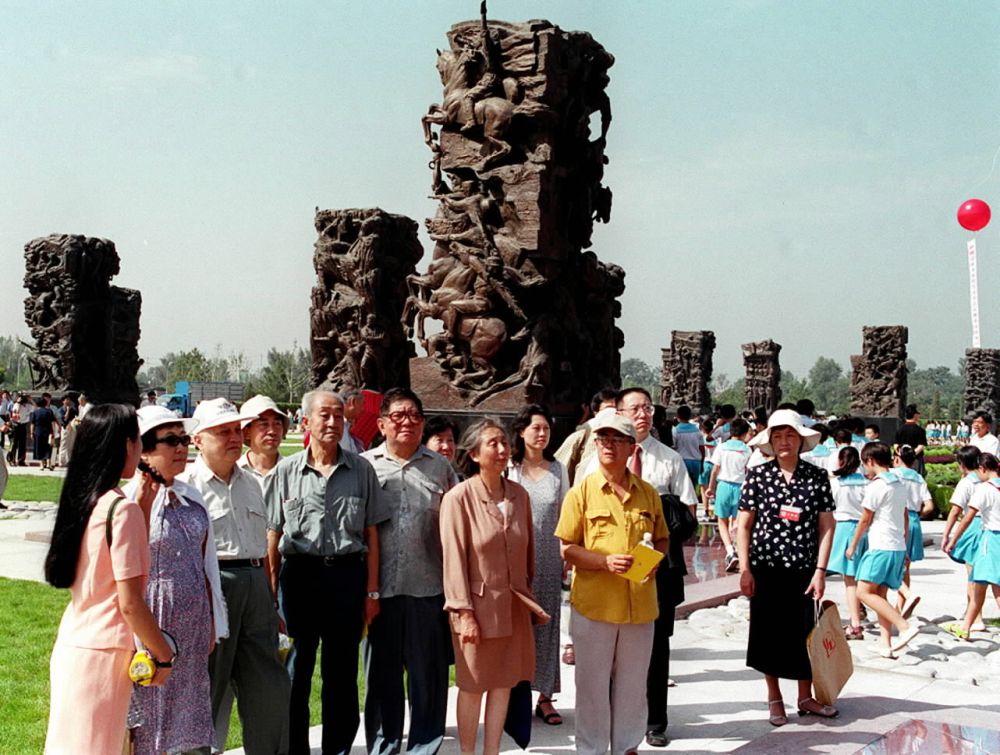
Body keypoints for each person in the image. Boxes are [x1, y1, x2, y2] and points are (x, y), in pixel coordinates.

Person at [43, 404, 174, 754]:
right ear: (126, 445)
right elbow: (129, 602)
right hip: (106, 653)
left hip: (75, 642)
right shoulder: (120, 509)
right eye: (138, 440)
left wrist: (143, 507)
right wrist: (164, 654)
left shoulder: (85, 502)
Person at [267, 389, 388, 755]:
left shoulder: (361, 470)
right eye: (325, 415)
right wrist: (270, 595)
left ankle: (338, 749)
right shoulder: (286, 471)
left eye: (339, 415)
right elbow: (272, 536)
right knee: (295, 671)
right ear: (306, 421)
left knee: (341, 674)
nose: (333, 422)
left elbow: (371, 533)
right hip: (299, 579)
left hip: (346, 579)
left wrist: (371, 592)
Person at [578, 387, 696, 747]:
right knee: (607, 653)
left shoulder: (669, 459)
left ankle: (654, 722)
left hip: (656, 569)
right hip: (607, 573)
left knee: (655, 649)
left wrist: (658, 536)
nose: (643, 414)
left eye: (647, 408)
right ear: (619, 413)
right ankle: (609, 724)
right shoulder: (593, 464)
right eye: (635, 408)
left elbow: (688, 515)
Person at [177, 398, 290, 755]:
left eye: (236, 430)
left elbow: (263, 547)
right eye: (222, 432)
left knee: (269, 689)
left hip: (255, 586)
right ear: (198, 440)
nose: (234, 438)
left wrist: (269, 601)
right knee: (206, 688)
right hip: (212, 588)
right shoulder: (185, 487)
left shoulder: (252, 483)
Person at [555, 412, 667, 754]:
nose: (608, 446)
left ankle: (627, 746)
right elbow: (566, 548)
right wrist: (603, 562)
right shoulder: (582, 493)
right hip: (595, 605)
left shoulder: (648, 494)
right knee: (591, 685)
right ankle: (591, 749)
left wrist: (654, 561)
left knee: (633, 686)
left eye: (617, 440)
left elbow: (662, 538)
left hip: (640, 605)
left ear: (632, 447)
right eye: (603, 439)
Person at [440, 419, 547, 755]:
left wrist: (528, 599)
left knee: (503, 683)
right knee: (473, 685)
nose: (502, 450)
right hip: (476, 610)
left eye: (504, 442)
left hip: (514, 608)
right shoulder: (459, 498)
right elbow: (453, 560)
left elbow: (528, 553)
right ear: (474, 454)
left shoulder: (519, 495)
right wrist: (463, 613)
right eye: (493, 444)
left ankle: (492, 751)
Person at [361, 388, 459, 755]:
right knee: (381, 677)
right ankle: (383, 746)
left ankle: (424, 746)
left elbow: (457, 528)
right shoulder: (364, 467)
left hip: (428, 589)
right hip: (379, 591)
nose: (408, 422)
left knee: (428, 678)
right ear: (382, 424)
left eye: (415, 416)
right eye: (398, 416)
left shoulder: (440, 468)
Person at [124, 406, 226, 754]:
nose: (182, 448)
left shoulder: (192, 497)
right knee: (149, 722)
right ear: (144, 449)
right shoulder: (127, 502)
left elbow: (206, 565)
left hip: (192, 633)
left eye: (184, 440)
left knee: (188, 725)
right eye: (171, 441)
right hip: (150, 632)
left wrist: (212, 620)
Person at [735, 409, 837, 726]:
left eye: (790, 435)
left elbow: (826, 525)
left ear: (801, 440)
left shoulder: (816, 477)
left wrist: (820, 570)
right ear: (770, 441)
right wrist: (744, 568)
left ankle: (805, 696)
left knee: (804, 633)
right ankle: (774, 697)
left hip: (803, 570)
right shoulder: (758, 476)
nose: (784, 441)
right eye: (777, 436)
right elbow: (743, 525)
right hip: (765, 569)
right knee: (768, 635)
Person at [506, 404, 569, 726]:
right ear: (521, 432)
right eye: (536, 428)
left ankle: (545, 696)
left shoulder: (558, 469)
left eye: (546, 428)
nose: (542, 434)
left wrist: (566, 556)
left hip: (548, 556)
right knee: (516, 626)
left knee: (546, 625)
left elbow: (565, 514)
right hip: (513, 556)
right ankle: (512, 694)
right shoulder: (509, 468)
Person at [846, 442, 920, 659]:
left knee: (863, 592)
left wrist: (853, 545)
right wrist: (904, 543)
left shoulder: (877, 486)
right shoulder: (898, 483)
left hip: (881, 545)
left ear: (870, 461)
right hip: (896, 545)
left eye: (865, 463)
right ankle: (885, 643)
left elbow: (865, 519)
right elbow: (905, 515)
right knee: (880, 595)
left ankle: (904, 626)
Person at [945, 452, 1000, 639]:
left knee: (992, 585)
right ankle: (967, 625)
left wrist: (953, 539)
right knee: (979, 583)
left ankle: (968, 625)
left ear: (983, 469)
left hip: (990, 538)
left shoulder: (985, 488)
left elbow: (968, 517)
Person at [825, 446, 869, 639]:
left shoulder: (836, 484)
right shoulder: (868, 483)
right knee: (864, 577)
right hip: (866, 529)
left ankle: (855, 623)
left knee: (850, 581)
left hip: (844, 528)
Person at [706, 417, 752, 573]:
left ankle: (730, 551)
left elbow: (715, 470)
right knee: (738, 522)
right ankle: (738, 549)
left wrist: (711, 487)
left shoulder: (722, 447)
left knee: (722, 520)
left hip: (723, 486)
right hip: (741, 487)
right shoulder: (747, 450)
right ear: (744, 433)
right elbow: (749, 471)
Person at [894, 444, 934, 614]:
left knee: (890, 564)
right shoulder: (918, 478)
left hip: (896, 519)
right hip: (913, 520)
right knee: (906, 567)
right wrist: (917, 515)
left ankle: (901, 600)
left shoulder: (893, 474)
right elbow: (929, 506)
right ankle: (901, 607)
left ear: (897, 459)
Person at [553, 387, 619, 486]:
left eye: (616, 409)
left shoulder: (629, 437)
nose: (612, 413)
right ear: (596, 412)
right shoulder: (583, 434)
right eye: (608, 408)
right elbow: (559, 468)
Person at [238, 394, 290, 498]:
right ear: (246, 432)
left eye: (277, 423)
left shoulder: (293, 471)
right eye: (264, 424)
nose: (272, 431)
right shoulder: (234, 473)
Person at [672, 405, 703, 488]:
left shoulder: (675, 430)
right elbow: (701, 448)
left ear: (677, 416)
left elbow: (673, 447)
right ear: (690, 416)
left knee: (681, 487)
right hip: (696, 462)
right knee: (693, 487)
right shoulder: (697, 430)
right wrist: (702, 462)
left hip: (682, 461)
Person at [894, 405, 928, 475]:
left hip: (900, 459)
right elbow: (921, 446)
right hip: (915, 460)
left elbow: (896, 444)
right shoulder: (920, 430)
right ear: (915, 415)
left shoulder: (900, 429)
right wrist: (911, 454)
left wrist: (901, 454)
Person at [30, 395, 57, 470]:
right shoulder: (49, 411)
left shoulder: (35, 412)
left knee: (40, 447)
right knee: (48, 447)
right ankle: (48, 463)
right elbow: (52, 423)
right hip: (48, 431)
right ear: (45, 403)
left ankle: (42, 464)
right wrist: (53, 432)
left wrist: (31, 433)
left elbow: (32, 424)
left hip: (38, 431)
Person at [340, 386, 367, 454]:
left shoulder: (345, 425)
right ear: (353, 401)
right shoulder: (337, 425)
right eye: (362, 404)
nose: (362, 409)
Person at [58, 396, 78, 467]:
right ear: (63, 401)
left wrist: (75, 424)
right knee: (64, 444)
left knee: (71, 444)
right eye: (66, 400)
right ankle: (61, 461)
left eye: (69, 400)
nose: (68, 401)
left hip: (72, 428)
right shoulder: (60, 410)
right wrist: (68, 410)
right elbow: (64, 419)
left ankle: (69, 461)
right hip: (65, 428)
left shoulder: (74, 409)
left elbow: (77, 418)